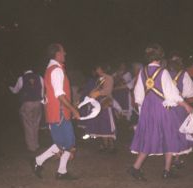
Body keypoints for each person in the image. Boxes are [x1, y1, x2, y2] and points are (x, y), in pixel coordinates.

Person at [128, 44, 193, 181]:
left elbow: (138, 95)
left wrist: (143, 111)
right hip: (162, 109)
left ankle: (137, 168)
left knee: (149, 137)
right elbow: (172, 94)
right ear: (160, 56)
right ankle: (164, 170)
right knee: (170, 136)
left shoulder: (142, 71)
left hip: (148, 109)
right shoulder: (163, 72)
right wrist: (186, 105)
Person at [31, 43, 80, 180]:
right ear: (57, 54)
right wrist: (73, 109)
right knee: (69, 143)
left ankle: (55, 168)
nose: (65, 54)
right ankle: (41, 162)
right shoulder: (56, 70)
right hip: (60, 113)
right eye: (63, 52)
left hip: (56, 112)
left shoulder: (51, 68)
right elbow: (59, 95)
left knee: (62, 144)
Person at [167, 51, 193, 169]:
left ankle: (169, 158)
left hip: (166, 107)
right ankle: (176, 159)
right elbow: (191, 92)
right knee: (180, 132)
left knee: (169, 132)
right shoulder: (183, 74)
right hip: (179, 107)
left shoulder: (164, 74)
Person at [9, 68, 44, 154]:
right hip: (38, 102)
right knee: (36, 123)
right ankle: (36, 144)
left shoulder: (21, 78)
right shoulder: (39, 77)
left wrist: (10, 88)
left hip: (27, 103)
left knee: (28, 124)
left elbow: (15, 90)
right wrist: (41, 99)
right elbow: (42, 90)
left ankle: (31, 147)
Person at [88, 64, 117, 153]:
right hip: (99, 103)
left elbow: (107, 90)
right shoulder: (99, 79)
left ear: (102, 69)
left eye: (98, 69)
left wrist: (97, 93)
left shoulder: (109, 78)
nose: (97, 71)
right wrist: (91, 94)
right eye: (97, 69)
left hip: (106, 102)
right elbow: (96, 89)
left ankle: (111, 145)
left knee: (107, 124)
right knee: (101, 124)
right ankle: (104, 144)